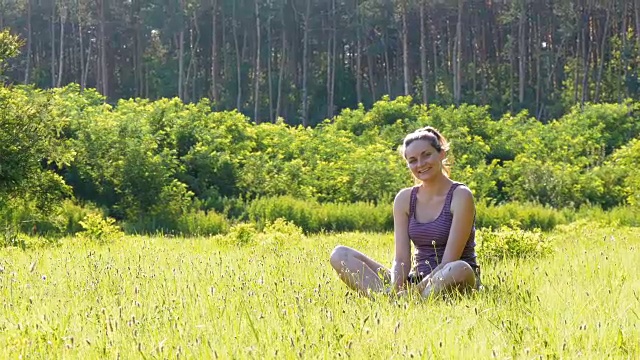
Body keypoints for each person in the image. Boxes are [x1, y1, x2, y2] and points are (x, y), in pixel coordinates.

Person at [329, 126, 481, 298]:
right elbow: (401, 259)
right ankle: (389, 301)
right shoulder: (405, 198)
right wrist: (397, 287)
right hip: (416, 280)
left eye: (426, 155)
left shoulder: (461, 195)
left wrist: (412, 293)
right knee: (340, 254)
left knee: (458, 268)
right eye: (413, 160)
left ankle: (409, 301)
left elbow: (449, 261)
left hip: (455, 278)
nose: (421, 164)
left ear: (441, 154)